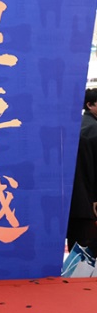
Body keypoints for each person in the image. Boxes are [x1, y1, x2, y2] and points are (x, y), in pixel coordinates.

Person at [67, 88, 97, 251]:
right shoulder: (92, 130)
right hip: (85, 202)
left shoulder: (82, 126)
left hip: (75, 201)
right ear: (90, 105)